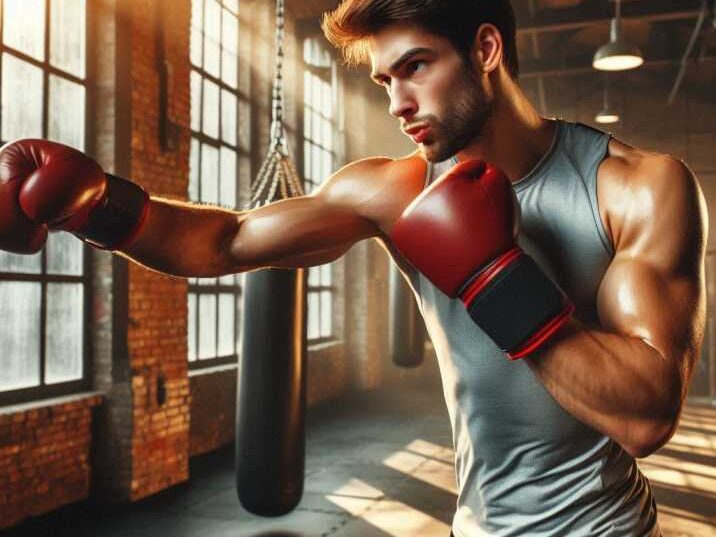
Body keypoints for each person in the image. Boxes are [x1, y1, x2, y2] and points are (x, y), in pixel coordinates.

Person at [0, 0, 706, 535]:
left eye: (417, 67)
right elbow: (226, 242)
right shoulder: (395, 190)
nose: (397, 103)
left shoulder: (635, 187)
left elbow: (647, 416)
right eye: (384, 79)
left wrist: (494, 275)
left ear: (486, 48)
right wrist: (96, 206)